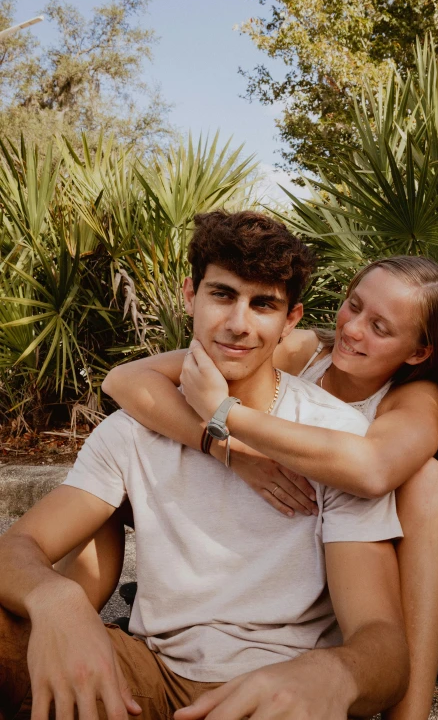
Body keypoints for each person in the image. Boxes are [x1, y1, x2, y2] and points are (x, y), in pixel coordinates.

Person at [0, 211, 409, 720]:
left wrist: (331, 674)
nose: (238, 324)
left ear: (292, 320)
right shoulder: (133, 430)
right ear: (190, 295)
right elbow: (17, 548)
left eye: (263, 304)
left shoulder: (330, 438)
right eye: (222, 295)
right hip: (150, 676)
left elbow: (384, 644)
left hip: (279, 687)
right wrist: (56, 600)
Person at [94, 243, 438, 720]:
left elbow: (372, 470)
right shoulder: (307, 349)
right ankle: (74, 616)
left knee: (425, 480)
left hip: (355, 553)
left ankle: (411, 710)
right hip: (257, 531)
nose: (351, 328)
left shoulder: (415, 398)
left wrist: (227, 415)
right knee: (111, 469)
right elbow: (122, 381)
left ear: (419, 351)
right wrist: (226, 449)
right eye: (355, 304)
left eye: (380, 327)